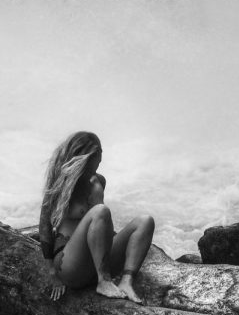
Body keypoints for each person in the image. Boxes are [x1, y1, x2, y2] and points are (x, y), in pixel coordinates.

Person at [38, 130, 155, 303]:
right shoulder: (60, 183)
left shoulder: (99, 181)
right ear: (87, 156)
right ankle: (104, 282)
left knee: (145, 221)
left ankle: (126, 282)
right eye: (98, 154)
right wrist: (52, 273)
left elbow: (101, 227)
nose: (100, 159)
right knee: (100, 210)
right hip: (70, 265)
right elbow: (45, 227)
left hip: (98, 262)